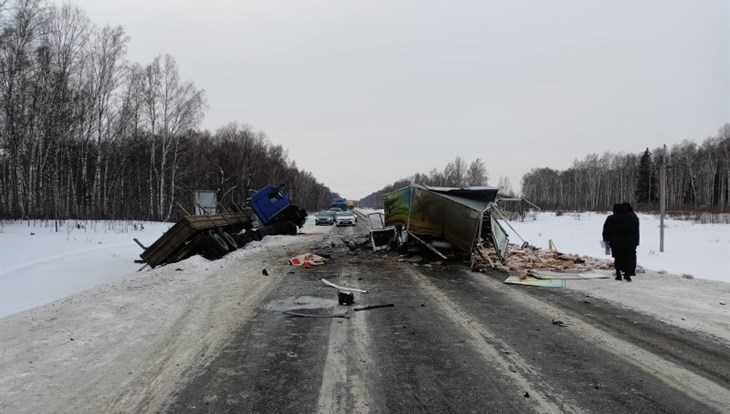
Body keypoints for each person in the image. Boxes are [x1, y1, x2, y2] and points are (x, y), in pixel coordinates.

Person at [602, 202, 640, 282]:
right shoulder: (634, 217)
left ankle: (618, 274)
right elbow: (636, 231)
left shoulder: (611, 218)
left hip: (616, 243)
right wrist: (636, 242)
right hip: (630, 243)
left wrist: (606, 239)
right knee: (629, 257)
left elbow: (606, 230)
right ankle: (628, 274)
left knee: (618, 258)